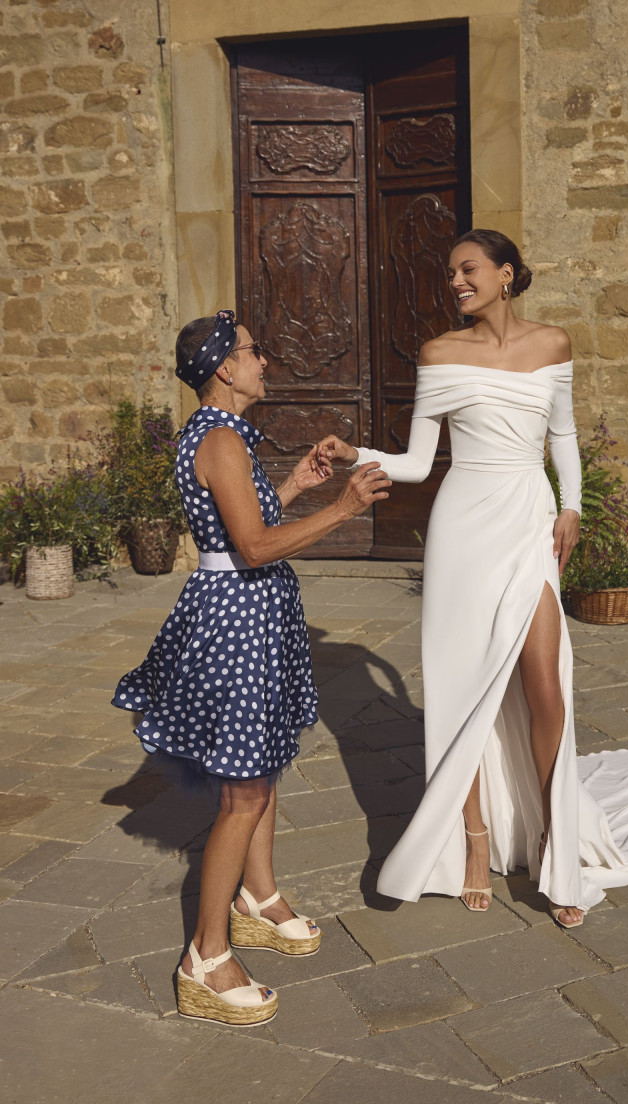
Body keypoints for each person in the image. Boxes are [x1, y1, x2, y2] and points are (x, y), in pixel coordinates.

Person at [318, 229, 628, 927]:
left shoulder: (554, 344)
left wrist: (569, 507)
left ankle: (555, 840)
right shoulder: (440, 354)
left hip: (528, 522)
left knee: (544, 685)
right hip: (464, 531)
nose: (456, 282)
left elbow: (561, 435)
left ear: (505, 275)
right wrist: (356, 454)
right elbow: (417, 461)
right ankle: (472, 843)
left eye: (468, 270)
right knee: (460, 693)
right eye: (450, 273)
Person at [112, 309, 390, 1026]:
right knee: (241, 793)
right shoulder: (222, 441)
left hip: (248, 614)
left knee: (258, 770)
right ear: (224, 369)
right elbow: (256, 547)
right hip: (239, 618)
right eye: (252, 351)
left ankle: (256, 899)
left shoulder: (221, 436)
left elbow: (236, 524)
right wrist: (342, 507)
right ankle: (204, 958)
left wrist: (295, 484)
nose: (264, 360)